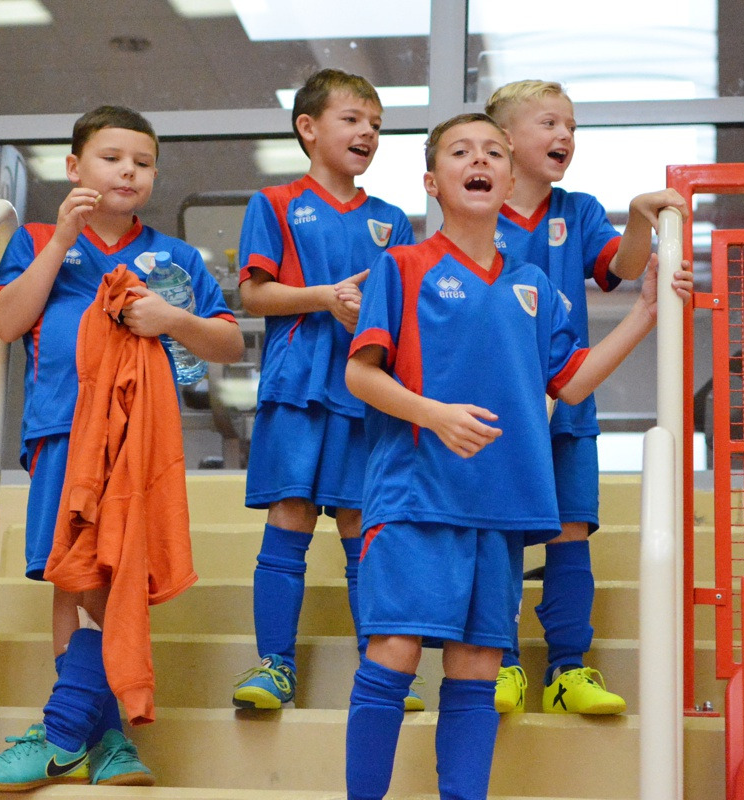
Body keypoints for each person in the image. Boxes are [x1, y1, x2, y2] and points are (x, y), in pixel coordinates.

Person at [342, 112, 692, 799]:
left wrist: (645, 314)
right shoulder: (401, 266)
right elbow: (361, 373)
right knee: (394, 653)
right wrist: (433, 415)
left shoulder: (533, 283)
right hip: (415, 498)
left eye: (493, 153)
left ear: (508, 182)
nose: (479, 160)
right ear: (432, 183)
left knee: (477, 669)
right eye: (460, 152)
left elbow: (572, 383)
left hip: (501, 508)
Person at [0, 105, 243, 791]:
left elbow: (229, 343)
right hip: (61, 431)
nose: (128, 172)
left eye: (143, 163)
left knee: (115, 579)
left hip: (139, 445)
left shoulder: (174, 257)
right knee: (76, 579)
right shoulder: (36, 239)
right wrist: (61, 239)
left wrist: (171, 318)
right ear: (73, 167)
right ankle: (104, 740)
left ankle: (65, 736)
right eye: (112, 158)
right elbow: (6, 322)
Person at [484, 79, 691, 714]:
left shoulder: (577, 210)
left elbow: (620, 269)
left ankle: (567, 670)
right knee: (500, 530)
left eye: (571, 126)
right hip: (496, 408)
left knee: (572, 529)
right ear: (506, 139)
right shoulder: (477, 211)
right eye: (549, 123)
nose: (565, 136)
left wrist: (638, 218)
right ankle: (502, 665)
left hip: (571, 399)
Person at [232, 68, 415, 712]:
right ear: (308, 128)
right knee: (290, 517)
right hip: (296, 387)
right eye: (352, 119)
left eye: (376, 124)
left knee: (363, 527)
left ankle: (381, 670)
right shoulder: (275, 203)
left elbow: (405, 313)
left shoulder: (393, 219)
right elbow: (252, 295)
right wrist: (324, 298)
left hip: (367, 396)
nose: (368, 132)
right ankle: (274, 666)